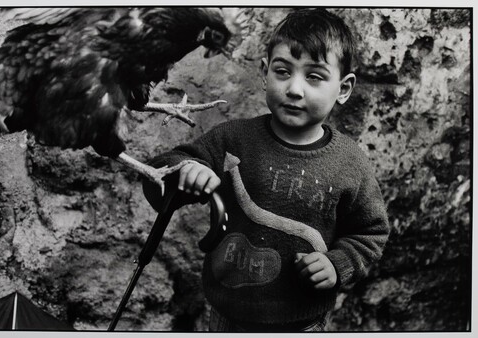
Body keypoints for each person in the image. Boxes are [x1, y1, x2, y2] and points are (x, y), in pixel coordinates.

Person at [143, 8, 390, 332]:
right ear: (265, 72)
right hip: (226, 316)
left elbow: (371, 233)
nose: (295, 89)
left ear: (343, 89)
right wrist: (186, 170)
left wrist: (337, 264)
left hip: (302, 323)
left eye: (314, 76)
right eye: (283, 71)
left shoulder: (350, 162)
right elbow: (157, 175)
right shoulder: (233, 139)